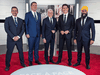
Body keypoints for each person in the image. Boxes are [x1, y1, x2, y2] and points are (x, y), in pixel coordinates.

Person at [4, 6, 26, 71]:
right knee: (9, 52)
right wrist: (13, 37)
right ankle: (7, 65)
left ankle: (22, 63)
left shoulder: (21, 20)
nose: (14, 12)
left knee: (21, 51)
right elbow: (6, 29)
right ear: (11, 11)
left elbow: (23, 29)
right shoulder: (7, 19)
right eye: (13, 10)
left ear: (17, 12)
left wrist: (18, 36)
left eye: (15, 10)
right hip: (11, 39)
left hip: (19, 39)